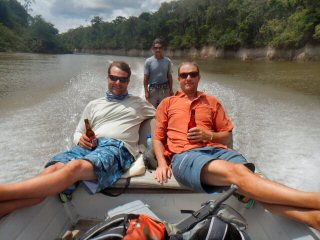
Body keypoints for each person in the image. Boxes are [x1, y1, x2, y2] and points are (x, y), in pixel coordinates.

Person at [153, 61, 320, 230]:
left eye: (193, 74)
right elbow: (158, 138)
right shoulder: (168, 103)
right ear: (178, 79)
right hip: (186, 155)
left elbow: (226, 136)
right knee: (242, 174)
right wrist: (161, 164)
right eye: (184, 75)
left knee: (255, 182)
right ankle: (315, 200)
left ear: (199, 77)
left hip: (218, 151)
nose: (188, 78)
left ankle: (313, 218)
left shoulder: (212, 102)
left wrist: (208, 135)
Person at [0, 61, 155, 216]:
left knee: (74, 167)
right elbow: (79, 132)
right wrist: (80, 139)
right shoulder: (93, 105)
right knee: (53, 169)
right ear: (107, 78)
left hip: (117, 148)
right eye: (114, 78)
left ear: (128, 81)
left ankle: (4, 192)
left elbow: (163, 113)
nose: (118, 82)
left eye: (123, 79)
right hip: (89, 147)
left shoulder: (139, 104)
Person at [144, 38, 174, 108]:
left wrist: (171, 90)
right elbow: (145, 78)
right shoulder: (148, 61)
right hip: (153, 90)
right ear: (152, 49)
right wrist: (146, 91)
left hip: (165, 89)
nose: (158, 50)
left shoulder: (168, 61)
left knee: (165, 109)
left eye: (160, 48)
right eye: (156, 48)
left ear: (163, 49)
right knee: (152, 110)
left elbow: (169, 76)